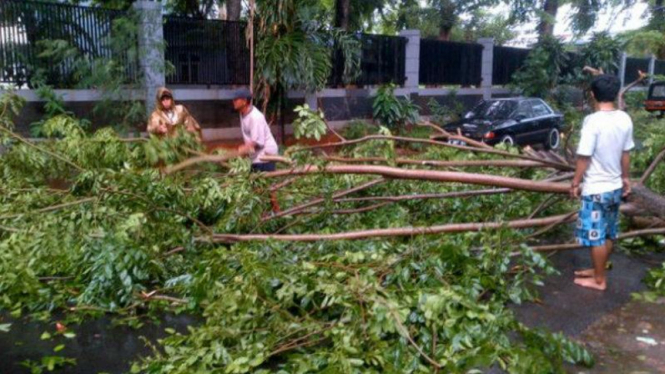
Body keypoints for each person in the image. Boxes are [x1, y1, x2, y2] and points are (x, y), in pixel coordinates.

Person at [570, 74, 634, 291]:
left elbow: (584, 157)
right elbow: (626, 154)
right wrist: (626, 179)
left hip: (596, 188)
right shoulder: (624, 119)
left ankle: (599, 281)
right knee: (607, 231)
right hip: (615, 186)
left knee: (596, 235)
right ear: (616, 94)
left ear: (593, 95)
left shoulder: (592, 122)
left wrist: (575, 182)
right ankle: (598, 271)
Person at [232, 88, 279, 172]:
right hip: (256, 155)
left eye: (236, 99)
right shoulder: (242, 113)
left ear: (244, 101)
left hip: (265, 156)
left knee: (263, 182)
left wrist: (242, 150)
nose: (233, 102)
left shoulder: (255, 117)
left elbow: (257, 143)